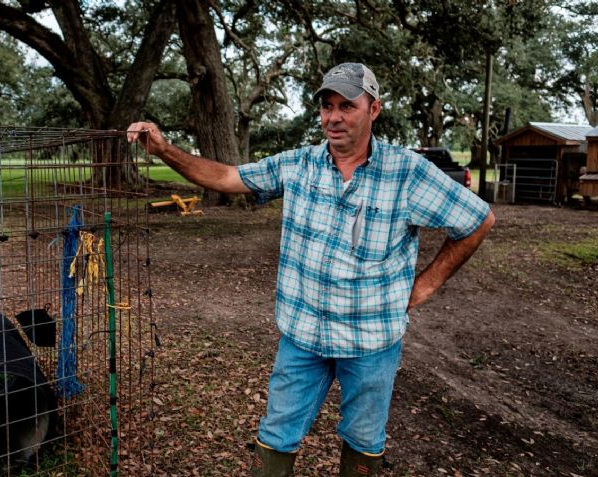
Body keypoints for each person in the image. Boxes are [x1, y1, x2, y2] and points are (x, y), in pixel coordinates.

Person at [128, 62, 495, 476]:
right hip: (303, 335)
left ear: (373, 110)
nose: (334, 117)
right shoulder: (300, 164)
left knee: (363, 440)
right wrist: (164, 150)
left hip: (370, 340)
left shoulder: (406, 172)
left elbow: (477, 220)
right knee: (277, 433)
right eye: (327, 106)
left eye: (347, 106)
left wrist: (424, 287)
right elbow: (227, 177)